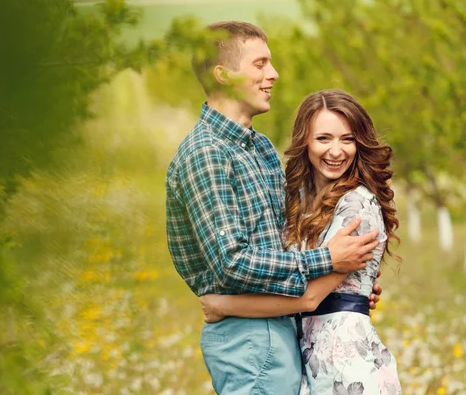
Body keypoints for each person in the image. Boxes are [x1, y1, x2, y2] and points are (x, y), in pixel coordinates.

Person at [165, 21, 382, 394]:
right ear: (223, 76)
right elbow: (230, 262)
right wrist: (327, 261)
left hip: (283, 322)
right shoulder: (208, 153)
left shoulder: (260, 148)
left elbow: (286, 237)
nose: (274, 74)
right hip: (247, 333)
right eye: (260, 64)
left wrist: (346, 288)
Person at [201, 89, 402, 394]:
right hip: (307, 360)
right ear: (304, 141)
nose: (336, 151)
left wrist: (224, 306)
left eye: (347, 139)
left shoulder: (357, 206)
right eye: (324, 139)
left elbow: (310, 298)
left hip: (346, 365)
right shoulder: (299, 201)